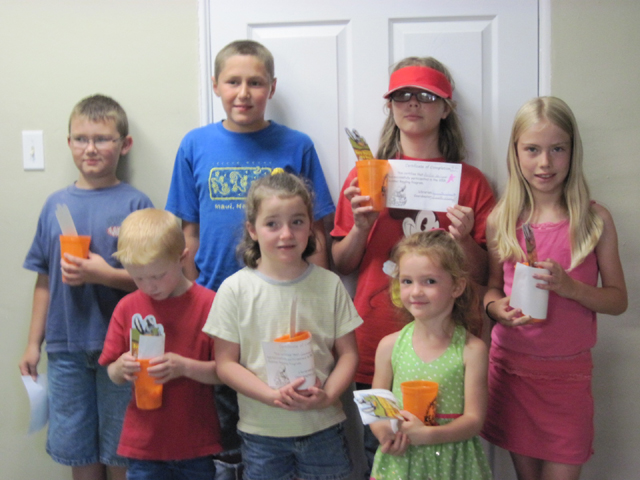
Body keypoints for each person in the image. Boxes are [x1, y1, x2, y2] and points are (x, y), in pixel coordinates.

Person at [165, 39, 335, 474]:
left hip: (286, 307)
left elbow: (316, 231)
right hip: (219, 307)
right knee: (226, 424)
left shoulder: (297, 145)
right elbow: (188, 232)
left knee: (290, 412)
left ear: (272, 87)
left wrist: (318, 297)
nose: (244, 93)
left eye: (255, 83)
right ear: (215, 85)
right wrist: (194, 297)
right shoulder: (195, 144)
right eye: (233, 82)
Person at [331, 56, 495, 474]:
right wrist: (361, 227)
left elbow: (482, 276)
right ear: (389, 106)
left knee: (447, 457)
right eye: (402, 95)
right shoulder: (366, 175)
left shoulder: (471, 182)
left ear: (446, 107)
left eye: (426, 95)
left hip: (449, 349)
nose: (413, 103)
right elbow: (341, 265)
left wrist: (463, 239)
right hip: (378, 342)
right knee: (386, 458)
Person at [482, 97, 627, 480]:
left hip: (568, 380)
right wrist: (495, 309)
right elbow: (491, 288)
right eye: (532, 149)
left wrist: (570, 287)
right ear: (516, 152)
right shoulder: (501, 220)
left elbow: (618, 300)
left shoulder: (595, 220)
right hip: (513, 371)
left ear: (572, 151)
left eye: (557, 149)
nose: (545, 163)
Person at [19, 94, 154, 480]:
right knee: (79, 452)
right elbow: (44, 280)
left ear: (124, 144)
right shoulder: (55, 206)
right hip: (66, 349)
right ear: (69, 143)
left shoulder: (136, 204)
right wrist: (33, 343)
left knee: (121, 451)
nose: (90, 148)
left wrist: (104, 274)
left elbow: (153, 281)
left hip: (124, 351)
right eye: (81, 139)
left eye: (102, 139)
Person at [204, 172, 362, 480]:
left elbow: (349, 355)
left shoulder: (329, 285)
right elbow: (225, 364)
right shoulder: (234, 289)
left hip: (323, 428)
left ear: (310, 225)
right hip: (262, 434)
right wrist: (270, 395)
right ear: (252, 229)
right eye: (272, 224)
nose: (286, 234)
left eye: (297, 222)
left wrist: (329, 395)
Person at [98, 208, 222, 480]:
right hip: (143, 445)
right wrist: (121, 367)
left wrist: (184, 367)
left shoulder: (209, 304)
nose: (149, 286)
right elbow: (112, 373)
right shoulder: (127, 307)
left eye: (158, 276)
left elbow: (224, 372)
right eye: (139, 278)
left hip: (196, 443)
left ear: (182, 258)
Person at [369, 230, 491, 479]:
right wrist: (385, 434)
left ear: (457, 286)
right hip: (402, 462)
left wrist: (429, 435)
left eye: (429, 281)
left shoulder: (472, 350)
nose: (415, 292)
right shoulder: (389, 346)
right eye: (407, 281)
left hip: (452, 464)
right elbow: (376, 409)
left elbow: (474, 419)